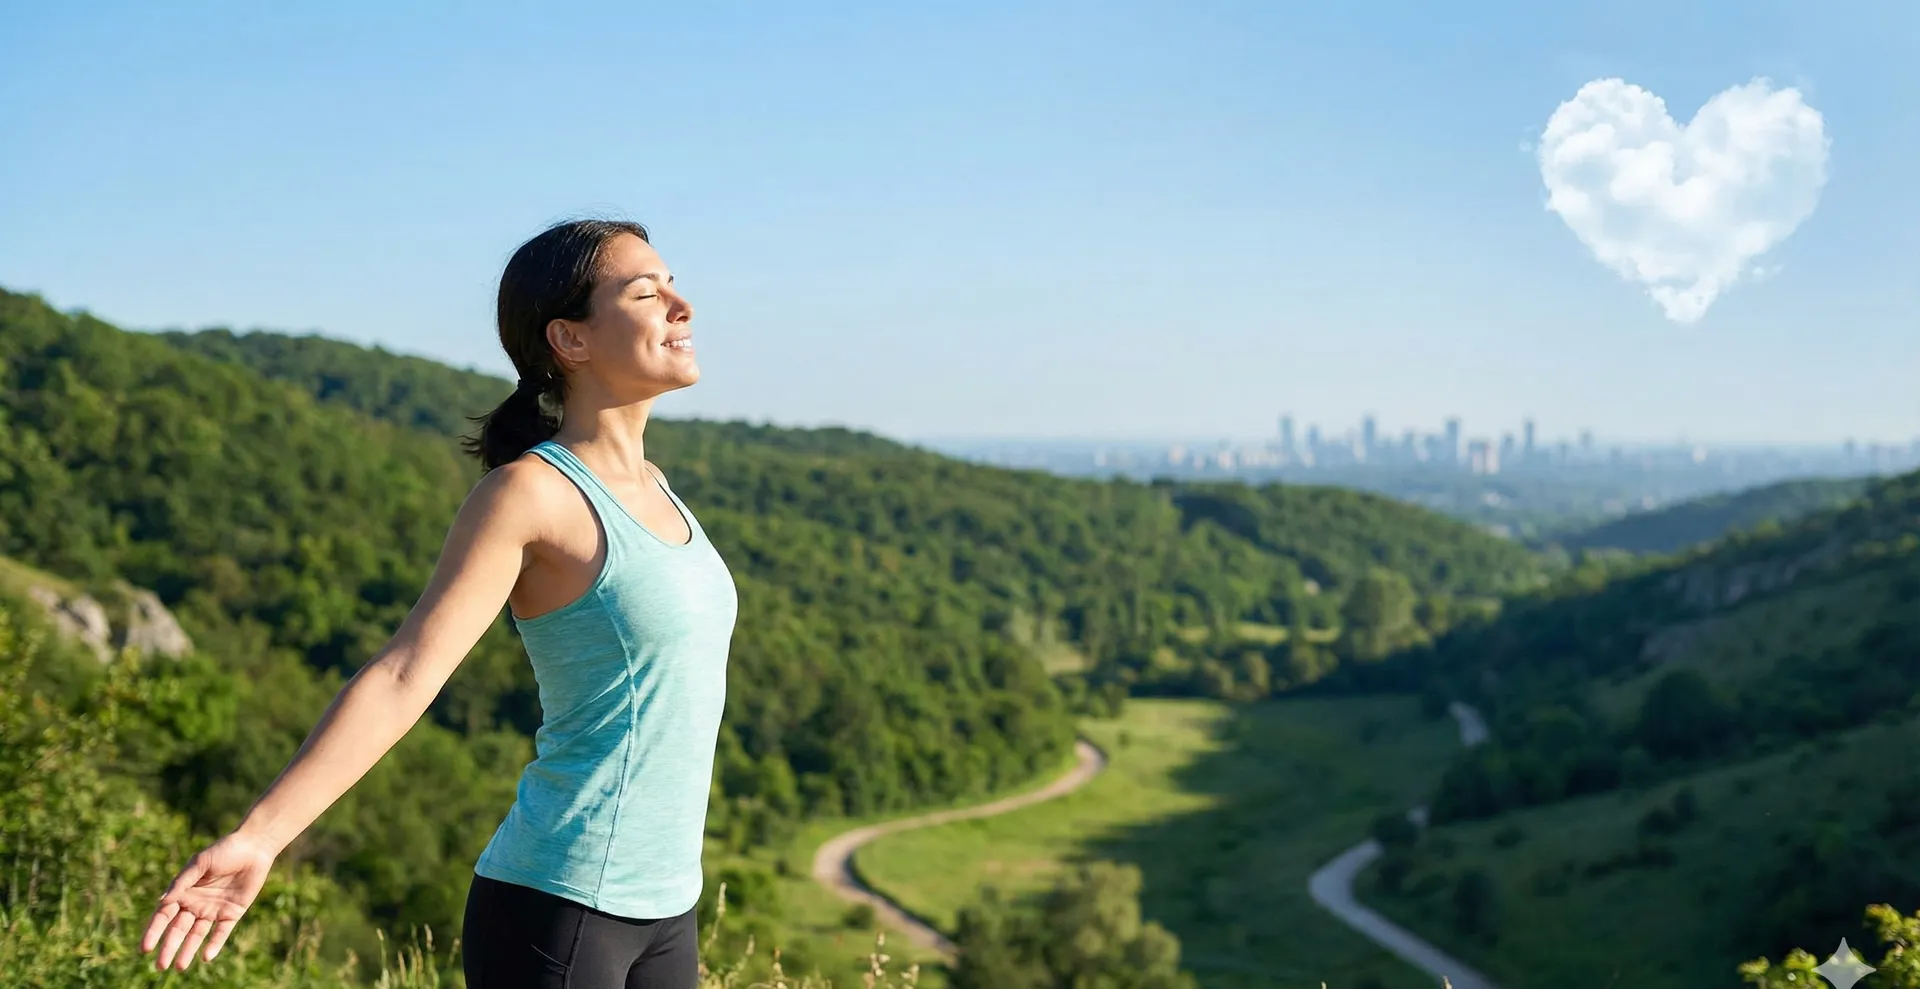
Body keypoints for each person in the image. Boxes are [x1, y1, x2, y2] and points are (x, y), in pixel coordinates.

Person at [140, 218, 739, 989]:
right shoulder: (529, 494)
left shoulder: (656, 486)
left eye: (674, 285)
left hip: (667, 908)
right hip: (562, 909)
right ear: (571, 339)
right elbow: (403, 674)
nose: (681, 306)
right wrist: (260, 836)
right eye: (646, 292)